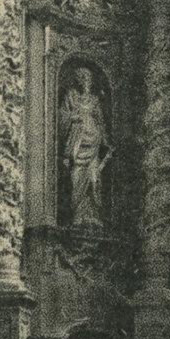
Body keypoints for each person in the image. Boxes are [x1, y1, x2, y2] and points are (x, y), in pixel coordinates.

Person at [61, 65, 111, 229]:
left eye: (87, 78)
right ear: (78, 81)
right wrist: (73, 117)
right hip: (77, 142)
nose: (85, 81)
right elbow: (62, 117)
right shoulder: (71, 97)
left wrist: (105, 142)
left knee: (94, 179)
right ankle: (78, 215)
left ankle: (93, 215)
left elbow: (101, 122)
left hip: (94, 141)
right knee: (77, 177)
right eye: (82, 78)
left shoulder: (95, 100)